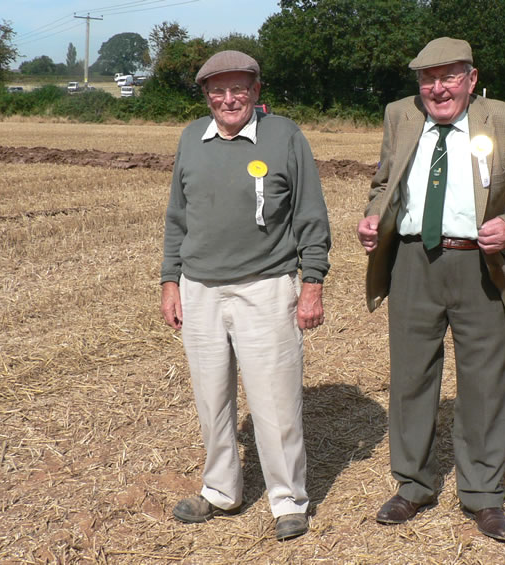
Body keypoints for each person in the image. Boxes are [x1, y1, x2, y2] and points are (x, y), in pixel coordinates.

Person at [356, 37, 505, 543]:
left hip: (480, 268)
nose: (438, 87)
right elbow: (384, 182)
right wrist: (374, 215)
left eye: (449, 76)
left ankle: (484, 495)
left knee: (485, 384)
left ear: (471, 79)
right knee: (409, 378)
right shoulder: (399, 115)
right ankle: (412, 484)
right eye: (428, 78)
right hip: (411, 263)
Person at [160, 50, 331, 541]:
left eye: (239, 89)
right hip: (200, 291)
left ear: (256, 92)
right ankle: (220, 490)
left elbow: (310, 215)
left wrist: (312, 283)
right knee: (212, 400)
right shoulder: (192, 138)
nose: (228, 98)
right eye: (218, 90)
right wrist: (171, 280)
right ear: (207, 95)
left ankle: (287, 500)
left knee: (275, 402)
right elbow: (178, 216)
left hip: (266, 287)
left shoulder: (285, 136)